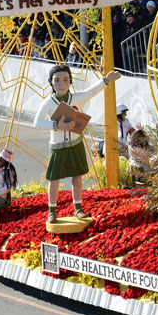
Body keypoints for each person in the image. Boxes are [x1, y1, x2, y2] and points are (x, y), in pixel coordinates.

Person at [33, 65, 121, 223]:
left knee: (77, 177)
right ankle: (52, 210)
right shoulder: (48, 102)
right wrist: (56, 126)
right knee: (54, 179)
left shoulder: (76, 98)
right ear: (51, 83)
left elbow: (92, 91)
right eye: (57, 80)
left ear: (70, 82)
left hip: (76, 143)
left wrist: (107, 80)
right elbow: (37, 123)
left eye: (65, 80)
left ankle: (78, 208)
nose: (61, 84)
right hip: (57, 146)